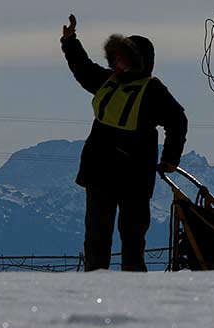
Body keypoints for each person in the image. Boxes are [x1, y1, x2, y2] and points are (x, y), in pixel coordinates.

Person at [60, 14, 187, 271]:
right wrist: (70, 41)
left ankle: (133, 290)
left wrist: (171, 158)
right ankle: (97, 288)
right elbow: (82, 68)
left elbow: (177, 121)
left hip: (132, 177)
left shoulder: (152, 90)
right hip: (103, 174)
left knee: (131, 239)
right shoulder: (108, 81)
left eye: (123, 56)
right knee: (98, 238)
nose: (117, 60)